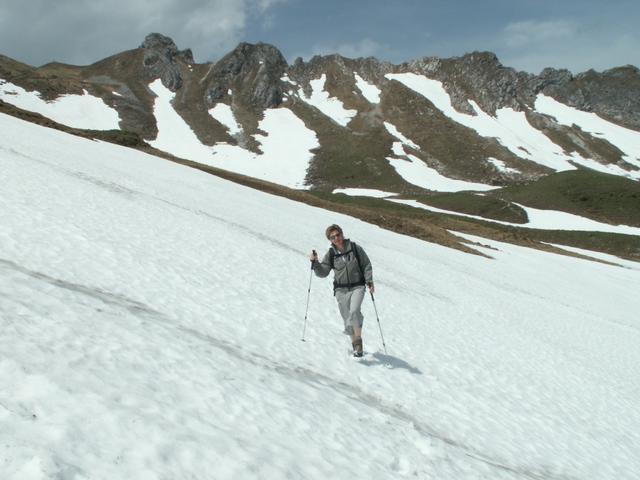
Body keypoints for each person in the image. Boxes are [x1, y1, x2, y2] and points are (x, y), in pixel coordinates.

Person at [310, 224, 374, 357]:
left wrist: (369, 281)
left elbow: (366, 264)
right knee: (346, 317)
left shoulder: (355, 248)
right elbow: (323, 273)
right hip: (341, 290)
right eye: (333, 237)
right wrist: (315, 263)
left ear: (342, 234)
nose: (336, 238)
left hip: (358, 286)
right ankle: (355, 345)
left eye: (337, 235)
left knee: (354, 311)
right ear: (330, 240)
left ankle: (358, 341)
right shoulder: (331, 254)